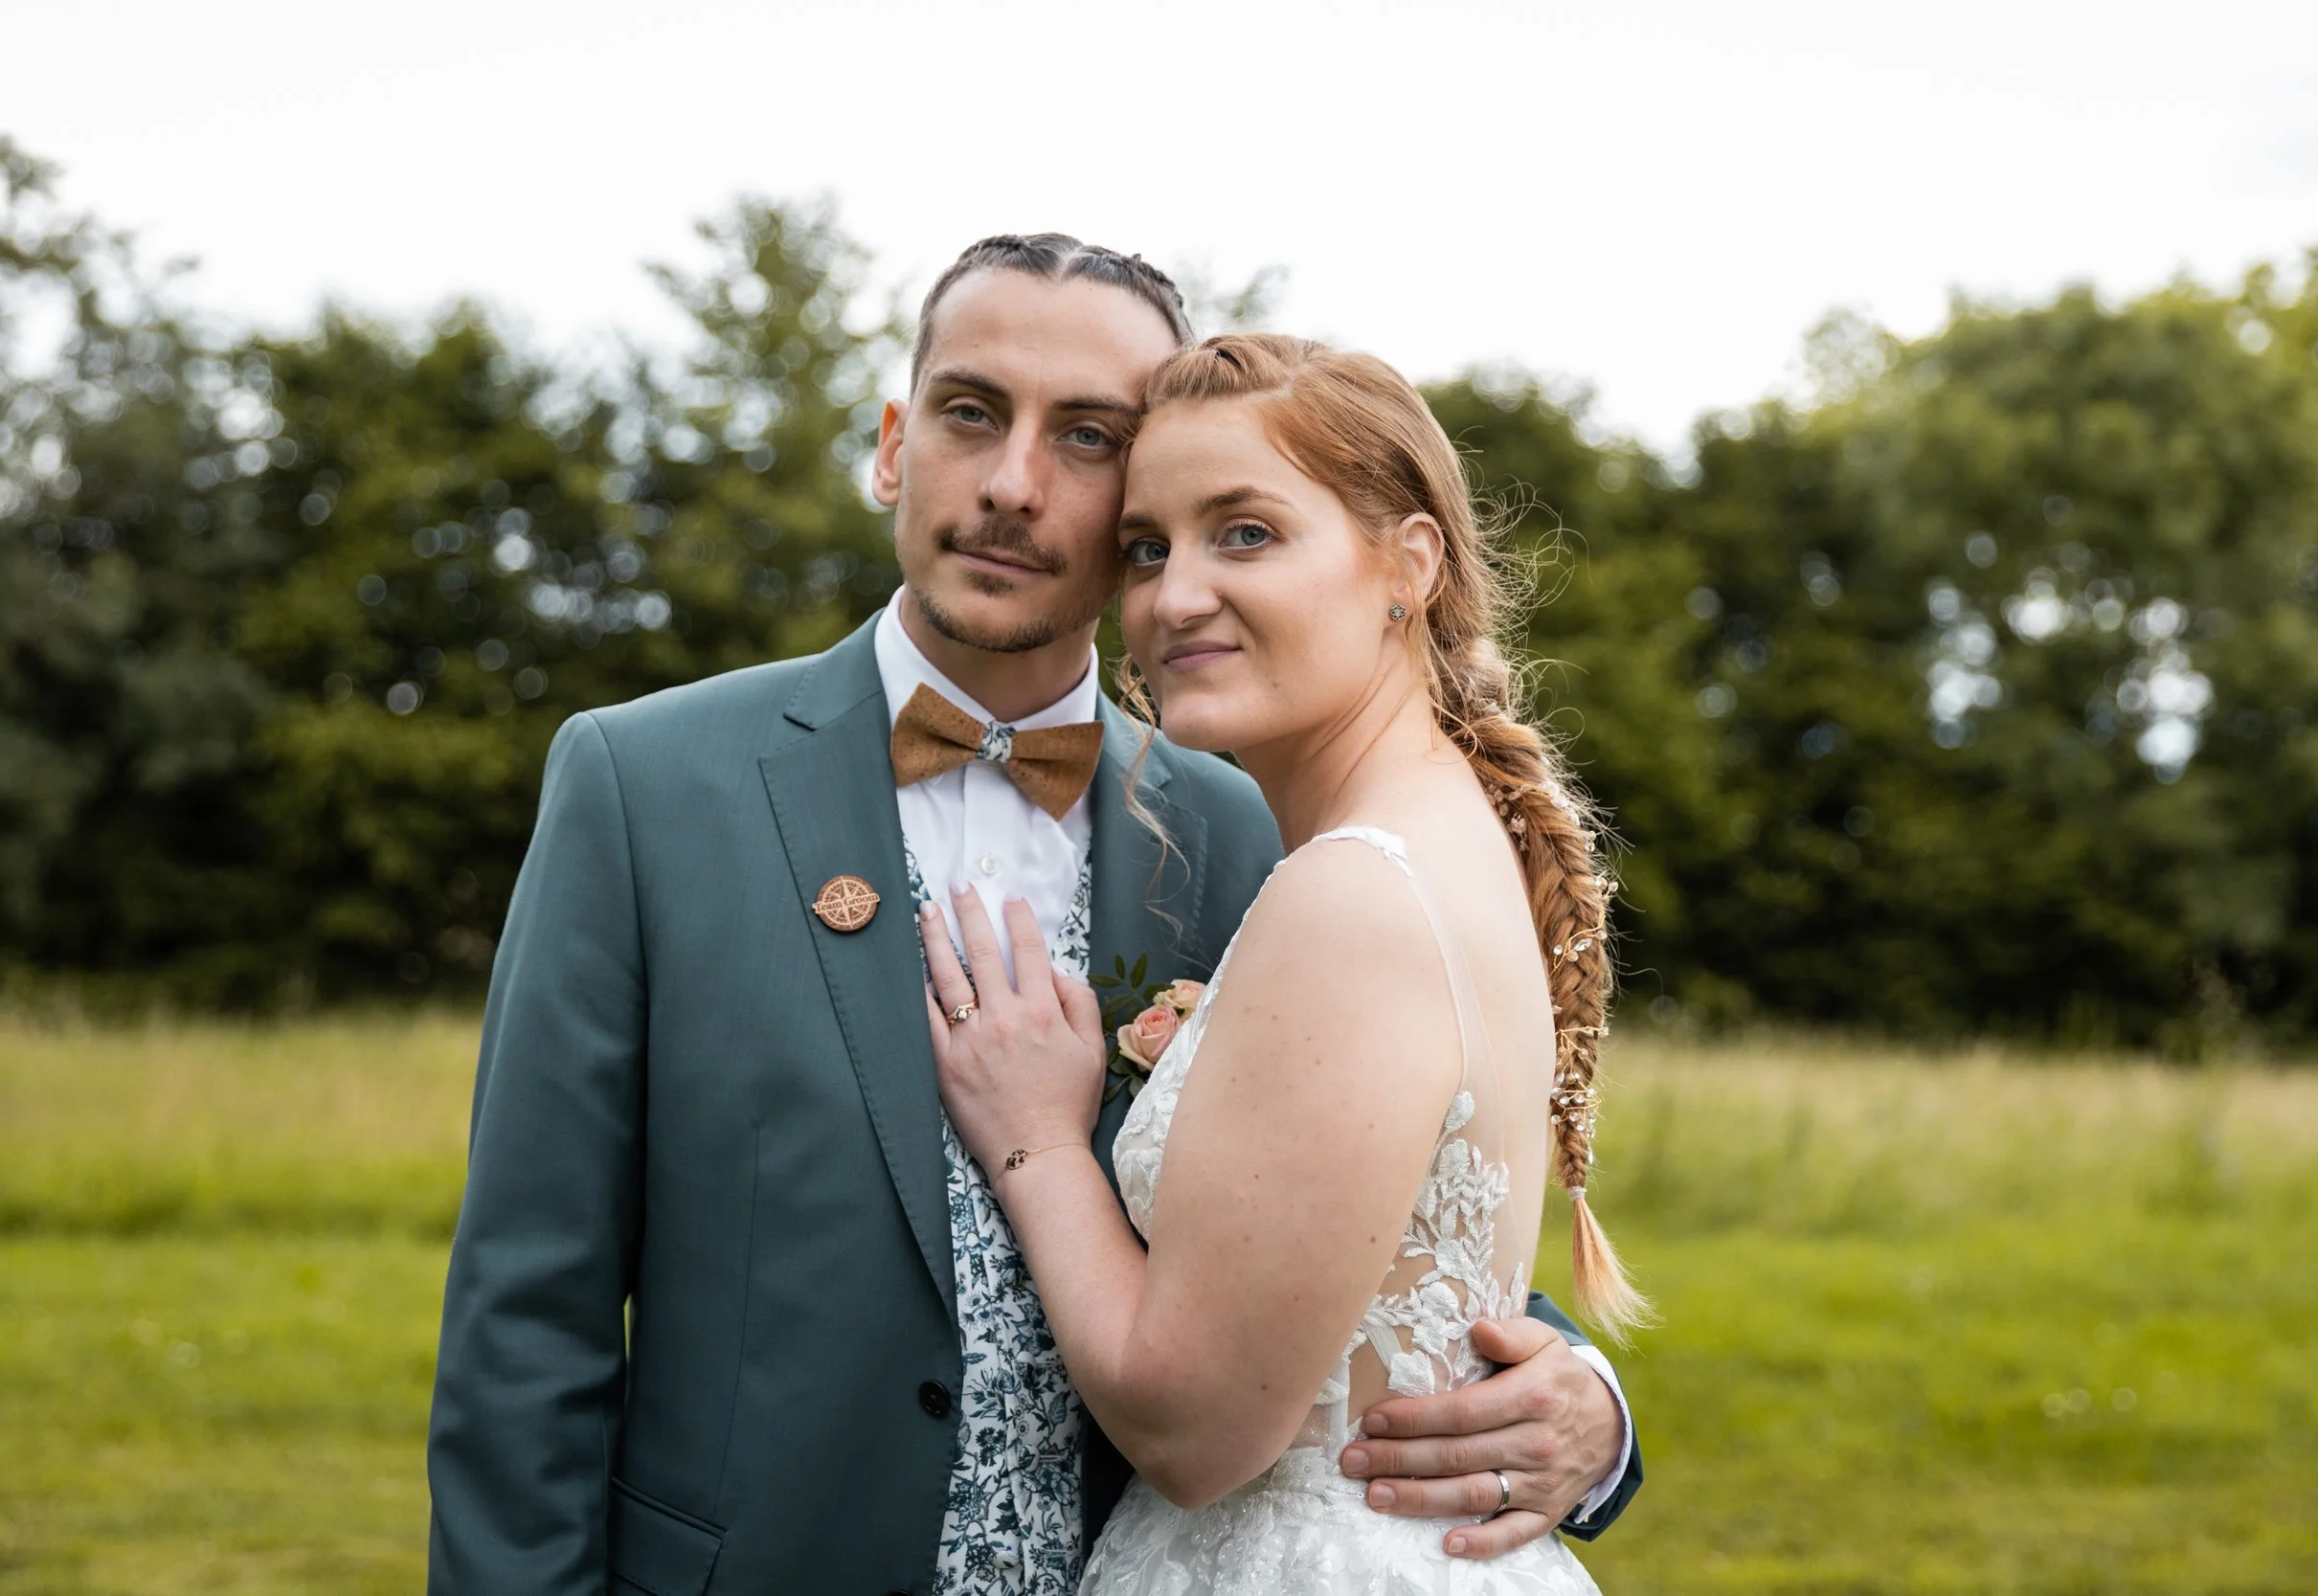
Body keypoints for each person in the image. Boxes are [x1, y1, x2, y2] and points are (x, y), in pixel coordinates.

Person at [426, 238, 1641, 1596]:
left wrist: (1587, 1411)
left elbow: (1355, 1207)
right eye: (969, 412)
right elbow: (527, 1326)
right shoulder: (644, 788)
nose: (1012, 483)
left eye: (1084, 438)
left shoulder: (1241, 824)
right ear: (893, 444)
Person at [922, 331, 1649, 1593]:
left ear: (1405, 564)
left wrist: (1036, 1138)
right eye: (1147, 548)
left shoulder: (1354, 893)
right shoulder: (1428, 840)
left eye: (1245, 533)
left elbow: (1198, 1427)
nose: (1175, 593)